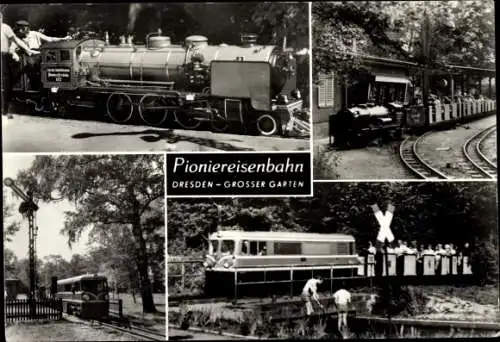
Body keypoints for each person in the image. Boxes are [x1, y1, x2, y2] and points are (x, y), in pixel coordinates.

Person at [1, 12, 39, 117]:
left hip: (10, 57)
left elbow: (18, 42)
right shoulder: (13, 34)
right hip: (10, 58)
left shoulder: (9, 30)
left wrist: (29, 51)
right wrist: (14, 54)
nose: (24, 30)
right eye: (23, 28)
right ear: (19, 28)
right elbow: (12, 47)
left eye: (26, 28)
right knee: (8, 80)